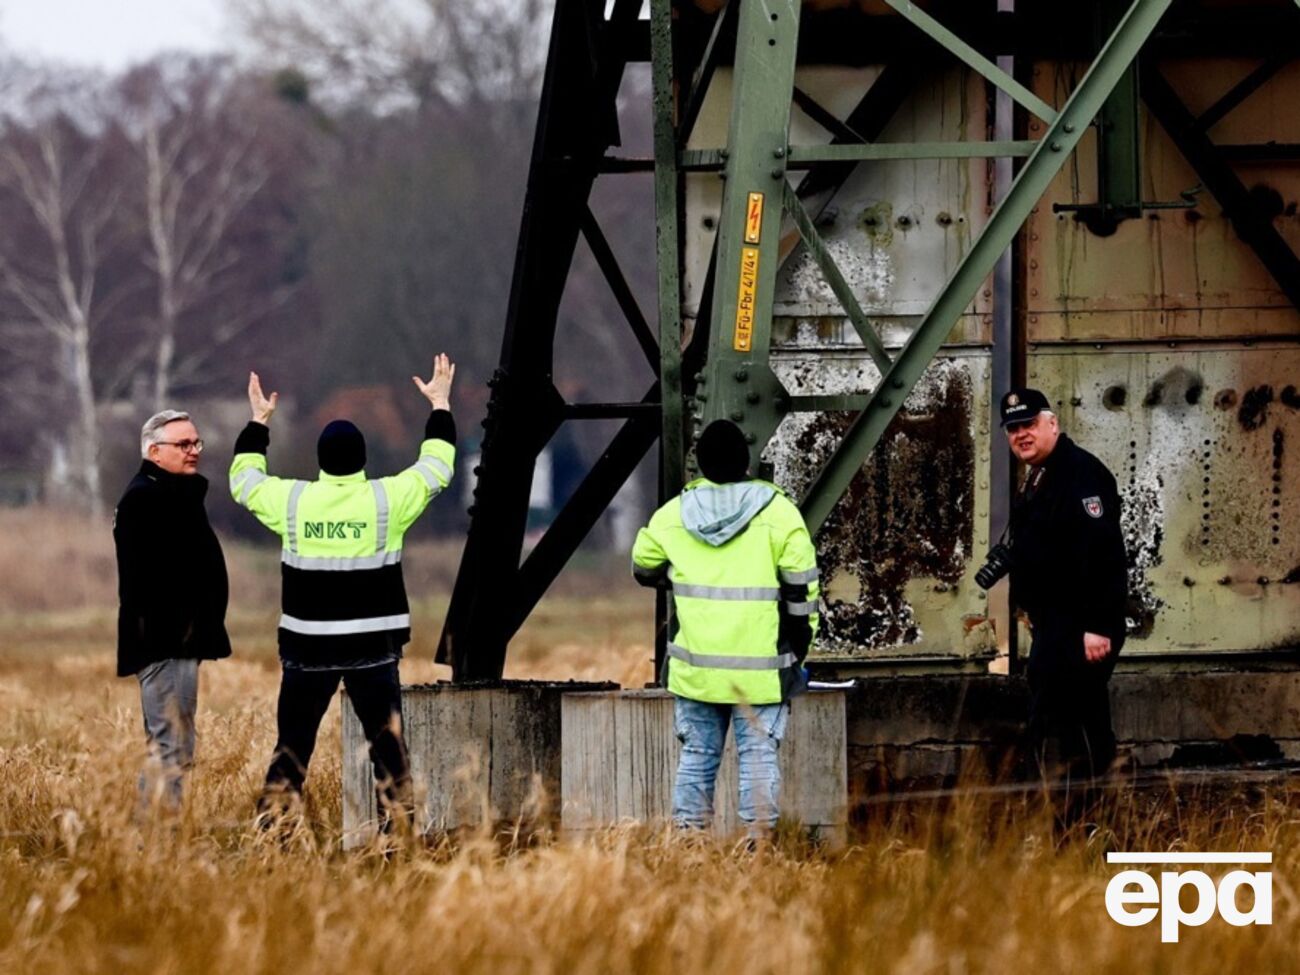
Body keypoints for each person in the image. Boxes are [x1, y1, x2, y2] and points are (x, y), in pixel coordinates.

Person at [229, 354, 457, 829]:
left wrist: (258, 423)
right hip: (372, 650)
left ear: (320, 460)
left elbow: (243, 482)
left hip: (307, 649)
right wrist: (439, 405)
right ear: (362, 459)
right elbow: (437, 468)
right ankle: (397, 840)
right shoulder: (386, 499)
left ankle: (270, 837)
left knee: (292, 750)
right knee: (388, 751)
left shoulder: (293, 502)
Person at [631, 419, 820, 835]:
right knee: (758, 757)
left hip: (696, 669)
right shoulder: (780, 513)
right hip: (762, 671)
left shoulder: (672, 514)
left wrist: (677, 571)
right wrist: (799, 644)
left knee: (697, 757)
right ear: (745, 460)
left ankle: (688, 845)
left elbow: (643, 566)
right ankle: (758, 847)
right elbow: (802, 590)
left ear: (700, 463)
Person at [999, 388, 1128, 780]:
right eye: (1013, 428)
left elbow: (1104, 553)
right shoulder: (1042, 475)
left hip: (1081, 627)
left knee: (1080, 727)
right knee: (1063, 723)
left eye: (1029, 424)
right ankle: (1072, 810)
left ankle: (1087, 811)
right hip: (1055, 625)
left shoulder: (1080, 473)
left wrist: (1098, 626)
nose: (1021, 434)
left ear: (1052, 424)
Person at [114, 410, 231, 812]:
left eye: (196, 443)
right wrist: (186, 628)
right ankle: (159, 836)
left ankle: (159, 832)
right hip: (165, 641)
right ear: (154, 451)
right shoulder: (145, 498)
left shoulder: (171, 492)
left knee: (173, 744)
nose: (193, 451)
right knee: (172, 747)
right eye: (183, 444)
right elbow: (153, 579)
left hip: (177, 640)